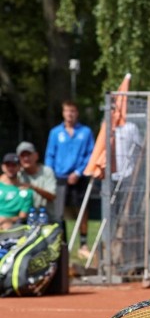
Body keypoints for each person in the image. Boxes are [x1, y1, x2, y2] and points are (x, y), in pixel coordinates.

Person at [45, 99, 95, 256]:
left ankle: (83, 243)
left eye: (72, 111)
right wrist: (50, 175)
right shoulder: (55, 132)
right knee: (59, 212)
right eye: (67, 111)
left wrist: (79, 172)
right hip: (59, 177)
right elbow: (50, 155)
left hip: (79, 177)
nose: (70, 114)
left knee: (82, 210)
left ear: (77, 113)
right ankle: (62, 243)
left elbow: (90, 154)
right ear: (63, 113)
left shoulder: (85, 132)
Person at [15, 142, 56, 210]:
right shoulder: (17, 174)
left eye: (29, 155)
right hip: (24, 217)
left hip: (45, 216)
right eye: (22, 156)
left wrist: (33, 187)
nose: (26, 158)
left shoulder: (47, 171)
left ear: (36, 156)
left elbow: (52, 196)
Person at [1, 153, 33, 229]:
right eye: (8, 165)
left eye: (14, 165)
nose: (10, 168)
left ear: (19, 167)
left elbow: (22, 217)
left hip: (11, 226)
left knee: (7, 226)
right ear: (3, 167)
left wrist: (6, 219)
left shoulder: (26, 192)